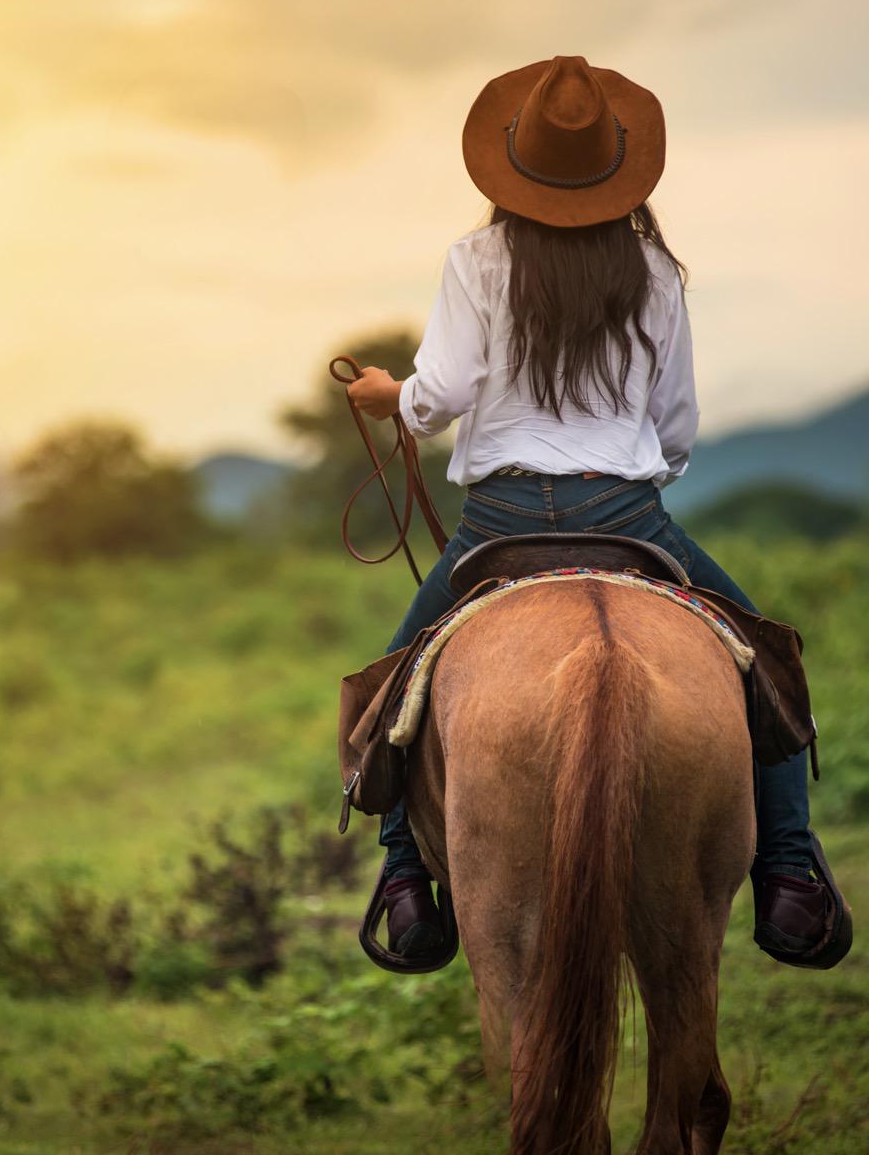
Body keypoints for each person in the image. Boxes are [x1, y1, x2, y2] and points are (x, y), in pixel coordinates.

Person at [345, 54, 838, 968]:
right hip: (627, 515)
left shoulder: (475, 260)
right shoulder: (654, 271)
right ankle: (788, 872)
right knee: (770, 666)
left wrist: (392, 398)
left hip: (496, 524)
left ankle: (406, 879)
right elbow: (676, 424)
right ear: (616, 167)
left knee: (390, 692)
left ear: (514, 166)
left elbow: (441, 392)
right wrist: (641, 474)